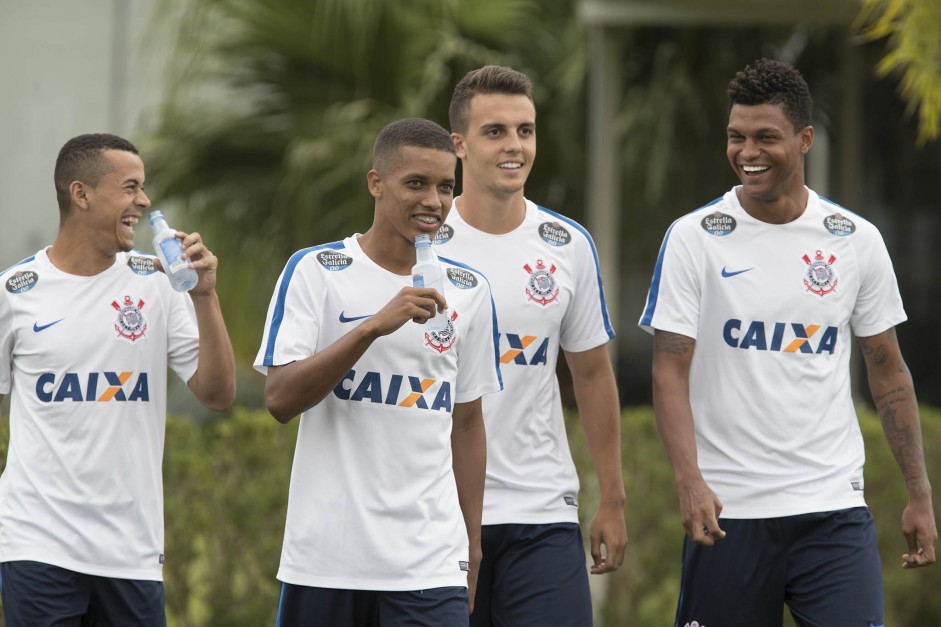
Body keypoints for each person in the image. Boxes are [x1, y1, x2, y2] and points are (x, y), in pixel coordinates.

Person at [639, 57, 937, 627]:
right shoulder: (694, 238)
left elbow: (888, 371)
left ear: (804, 140)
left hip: (832, 511)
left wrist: (918, 492)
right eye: (736, 137)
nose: (747, 152)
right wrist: (689, 483)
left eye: (765, 138)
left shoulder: (856, 240)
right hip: (729, 512)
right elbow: (668, 370)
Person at [254, 117, 502, 627]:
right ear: (376, 183)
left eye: (446, 187)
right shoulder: (316, 271)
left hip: (430, 563)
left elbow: (468, 423)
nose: (433, 201)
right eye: (416, 183)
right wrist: (371, 328)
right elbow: (279, 398)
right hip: (326, 561)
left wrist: (472, 545)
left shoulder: (470, 290)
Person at [0, 133, 236, 625]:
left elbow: (217, 394)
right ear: (81, 194)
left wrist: (206, 297)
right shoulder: (14, 292)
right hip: (37, 544)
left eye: (143, 188)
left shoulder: (159, 281)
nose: (145, 202)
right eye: (131, 187)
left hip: (131, 551)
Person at [436, 65, 627, 627]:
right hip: (438, 515)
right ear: (459, 145)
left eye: (526, 130)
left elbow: (592, 375)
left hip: (542, 513)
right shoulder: (419, 243)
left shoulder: (567, 244)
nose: (514, 145)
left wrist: (612, 499)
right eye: (495, 131)